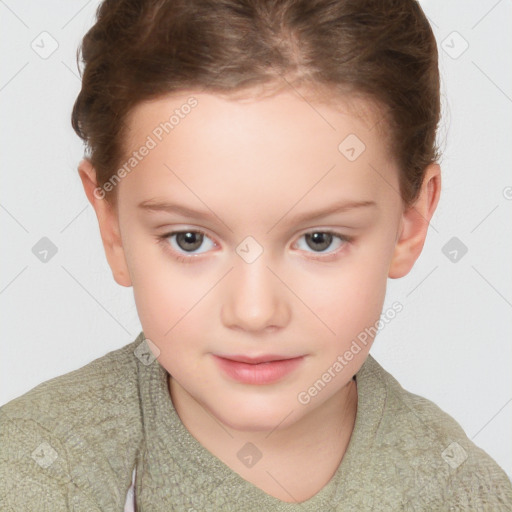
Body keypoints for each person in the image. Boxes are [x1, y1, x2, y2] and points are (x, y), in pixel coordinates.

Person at [1, 0, 511, 510]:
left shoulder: (463, 493)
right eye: (189, 240)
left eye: (319, 240)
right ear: (112, 226)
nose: (254, 311)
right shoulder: (32, 477)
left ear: (410, 223)